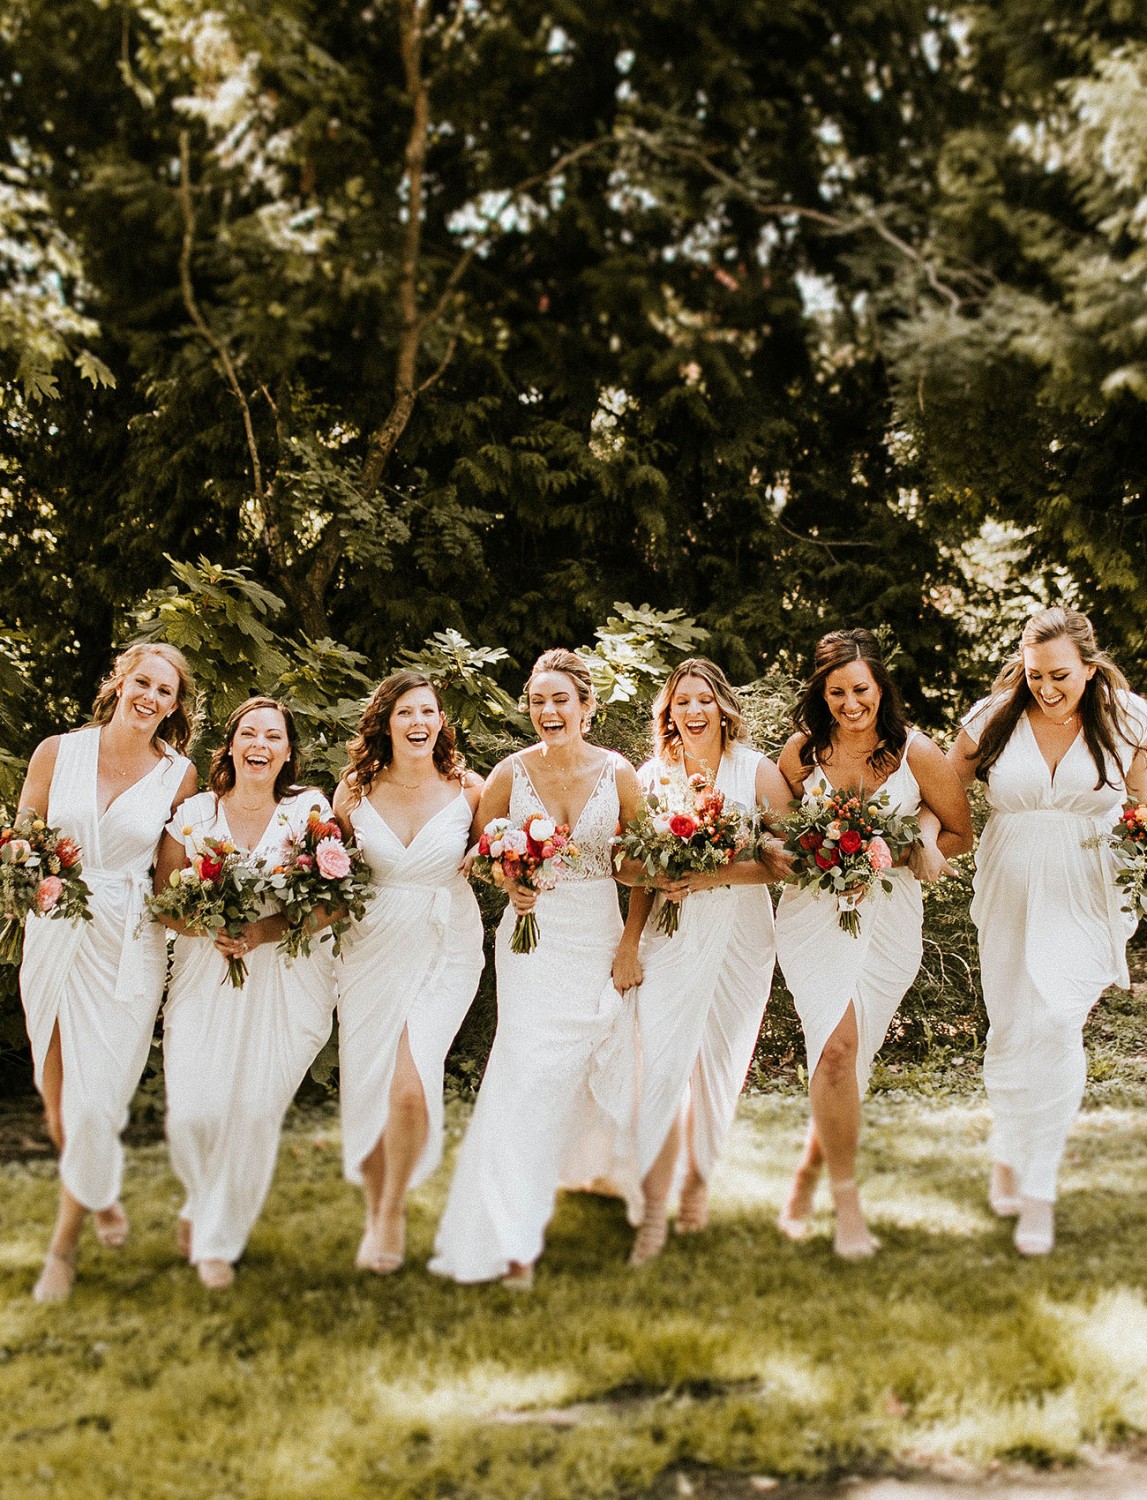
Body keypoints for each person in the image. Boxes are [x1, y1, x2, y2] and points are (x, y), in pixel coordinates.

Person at [932, 607, 1147, 1255]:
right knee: (1010, 1027)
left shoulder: (1126, 719)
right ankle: (1007, 1148)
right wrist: (922, 842)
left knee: (1055, 1022)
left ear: (1089, 666)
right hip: (1008, 884)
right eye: (1034, 675)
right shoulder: (994, 716)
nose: (1046, 688)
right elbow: (941, 786)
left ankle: (1038, 1190)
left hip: (1088, 888)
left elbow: (1143, 801)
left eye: (1060, 675)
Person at [429, 649, 643, 1287]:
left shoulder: (618, 773)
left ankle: (616, 1184)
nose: (548, 711)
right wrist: (511, 881)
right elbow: (479, 853)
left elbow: (643, 867)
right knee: (524, 1076)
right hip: (532, 939)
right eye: (538, 701)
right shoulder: (510, 773)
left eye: (560, 700)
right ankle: (509, 1239)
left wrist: (630, 944)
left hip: (600, 936)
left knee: (603, 1064)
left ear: (586, 706)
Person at [774, 628, 973, 1258]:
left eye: (860, 689)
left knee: (848, 1062)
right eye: (837, 692)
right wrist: (813, 852)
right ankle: (847, 1202)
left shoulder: (916, 752)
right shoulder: (801, 754)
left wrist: (917, 842)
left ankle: (807, 1174)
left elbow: (960, 832)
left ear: (880, 688)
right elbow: (779, 838)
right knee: (835, 1050)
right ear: (821, 695)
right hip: (813, 916)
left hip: (888, 920)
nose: (850, 703)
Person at [18, 643, 199, 1302]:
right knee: (59, 1104)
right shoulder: (55, 753)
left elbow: (169, 880)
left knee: (95, 1105)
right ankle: (99, 1194)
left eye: (165, 691)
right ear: (119, 682)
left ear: (174, 706)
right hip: (54, 930)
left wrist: (221, 917)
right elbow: (21, 840)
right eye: (142, 682)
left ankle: (62, 1249)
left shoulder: (178, 775)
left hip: (127, 942)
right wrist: (25, 877)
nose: (150, 697)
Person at [610, 658, 791, 1264]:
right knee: (662, 1066)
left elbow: (786, 861)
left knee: (719, 1064)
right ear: (669, 712)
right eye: (681, 701)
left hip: (742, 933)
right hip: (671, 931)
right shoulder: (651, 776)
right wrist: (630, 941)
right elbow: (630, 866)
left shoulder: (756, 771)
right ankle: (651, 1213)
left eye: (704, 700)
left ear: (722, 708)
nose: (693, 711)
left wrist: (711, 874)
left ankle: (697, 1183)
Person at [154, 697, 337, 1289]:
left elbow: (333, 900)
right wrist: (210, 927)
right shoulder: (195, 812)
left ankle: (217, 1240)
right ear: (231, 744)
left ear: (287, 752)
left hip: (287, 973)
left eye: (273, 736)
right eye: (249, 733)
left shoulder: (309, 810)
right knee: (193, 1111)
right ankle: (201, 1199)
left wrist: (262, 931)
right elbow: (164, 901)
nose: (260, 744)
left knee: (255, 1112)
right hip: (205, 972)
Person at [332, 672, 485, 1275]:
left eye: (428, 711)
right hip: (371, 946)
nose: (418, 722)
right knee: (368, 1082)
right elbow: (335, 871)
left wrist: (500, 864)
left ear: (441, 721)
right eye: (405, 712)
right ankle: (375, 1206)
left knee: (409, 1080)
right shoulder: (353, 791)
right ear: (386, 722)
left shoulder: (470, 789)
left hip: (448, 944)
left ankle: (393, 1209)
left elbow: (497, 856)